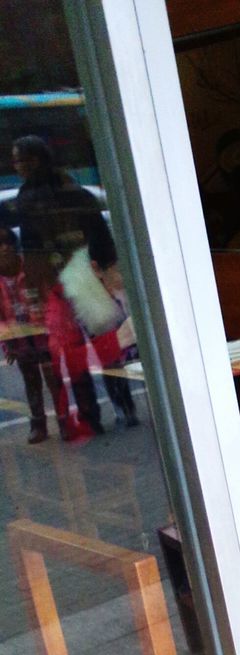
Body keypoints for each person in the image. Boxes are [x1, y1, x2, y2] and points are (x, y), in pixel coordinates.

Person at [6, 135, 120, 439]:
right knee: (91, 347)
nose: (17, 166)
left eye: (21, 159)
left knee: (86, 348)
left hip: (73, 276)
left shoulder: (41, 195)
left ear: (36, 160)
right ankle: (107, 410)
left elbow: (35, 249)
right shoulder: (62, 191)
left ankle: (97, 414)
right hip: (72, 276)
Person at [0, 225, 71, 442]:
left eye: (6, 244)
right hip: (19, 339)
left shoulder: (31, 269)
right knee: (31, 381)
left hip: (44, 333)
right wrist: (7, 344)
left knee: (53, 378)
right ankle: (38, 424)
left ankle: (64, 421)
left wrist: (56, 330)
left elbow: (52, 298)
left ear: (14, 247)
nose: (3, 249)